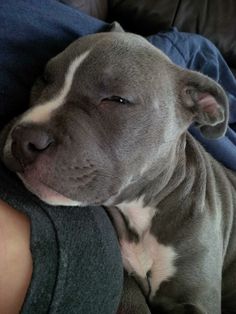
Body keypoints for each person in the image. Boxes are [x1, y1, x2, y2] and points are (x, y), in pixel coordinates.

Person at [1, 1, 236, 313]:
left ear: (199, 109)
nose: (32, 128)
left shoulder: (197, 216)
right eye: (47, 81)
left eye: (116, 100)